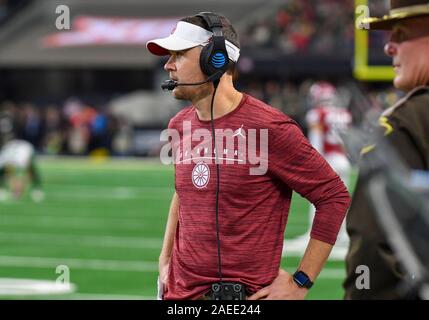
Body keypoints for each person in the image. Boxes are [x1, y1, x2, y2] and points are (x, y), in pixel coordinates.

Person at [147, 12, 350, 300]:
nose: (168, 65)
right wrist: (165, 259)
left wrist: (301, 281)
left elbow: (333, 196)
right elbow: (183, 193)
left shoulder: (270, 128)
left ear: (214, 59)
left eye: (178, 55)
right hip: (179, 297)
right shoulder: (179, 125)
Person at [344, 0, 429, 299]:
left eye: (401, 34)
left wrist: (361, 291)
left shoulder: (409, 121)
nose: (388, 47)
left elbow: (373, 245)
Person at [285, 81, 352, 256]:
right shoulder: (343, 113)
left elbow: (316, 142)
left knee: (319, 202)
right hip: (343, 160)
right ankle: (342, 235)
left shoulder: (317, 114)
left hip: (328, 160)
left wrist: (314, 164)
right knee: (341, 201)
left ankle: (314, 235)